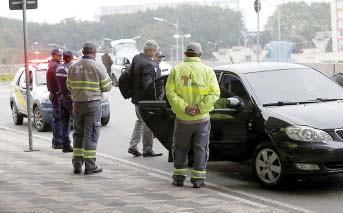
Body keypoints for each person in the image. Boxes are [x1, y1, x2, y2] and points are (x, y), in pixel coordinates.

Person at [166, 42, 220, 188]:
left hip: (183, 119)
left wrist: (185, 107)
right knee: (201, 148)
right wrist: (200, 108)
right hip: (202, 119)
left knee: (180, 148)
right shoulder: (208, 71)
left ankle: (178, 177)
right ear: (200, 54)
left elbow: (170, 93)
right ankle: (198, 179)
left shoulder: (176, 70)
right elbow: (215, 93)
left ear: (185, 54)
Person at [67, 42, 112, 175]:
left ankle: (76, 165)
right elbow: (107, 86)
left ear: (82, 51)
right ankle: (90, 166)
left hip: (77, 104)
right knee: (91, 134)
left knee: (78, 134)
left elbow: (69, 85)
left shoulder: (73, 66)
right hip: (92, 104)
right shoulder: (98, 66)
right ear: (94, 52)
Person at [128, 40, 163, 157]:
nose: (155, 53)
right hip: (145, 100)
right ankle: (147, 149)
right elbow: (148, 84)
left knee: (140, 121)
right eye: (154, 51)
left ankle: (133, 146)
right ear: (149, 50)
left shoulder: (137, 58)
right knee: (148, 123)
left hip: (136, 98)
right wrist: (155, 99)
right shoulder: (148, 64)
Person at [56, 50, 74, 153]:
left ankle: (65, 145)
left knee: (64, 123)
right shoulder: (72, 68)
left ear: (63, 57)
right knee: (77, 123)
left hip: (61, 98)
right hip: (71, 99)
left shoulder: (59, 68)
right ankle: (77, 145)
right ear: (71, 57)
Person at [46, 48, 63, 149]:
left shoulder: (53, 66)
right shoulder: (54, 67)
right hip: (56, 95)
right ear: (54, 55)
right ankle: (58, 141)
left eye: (61, 55)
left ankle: (56, 140)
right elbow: (58, 83)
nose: (60, 57)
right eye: (59, 55)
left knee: (57, 118)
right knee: (58, 118)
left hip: (54, 94)